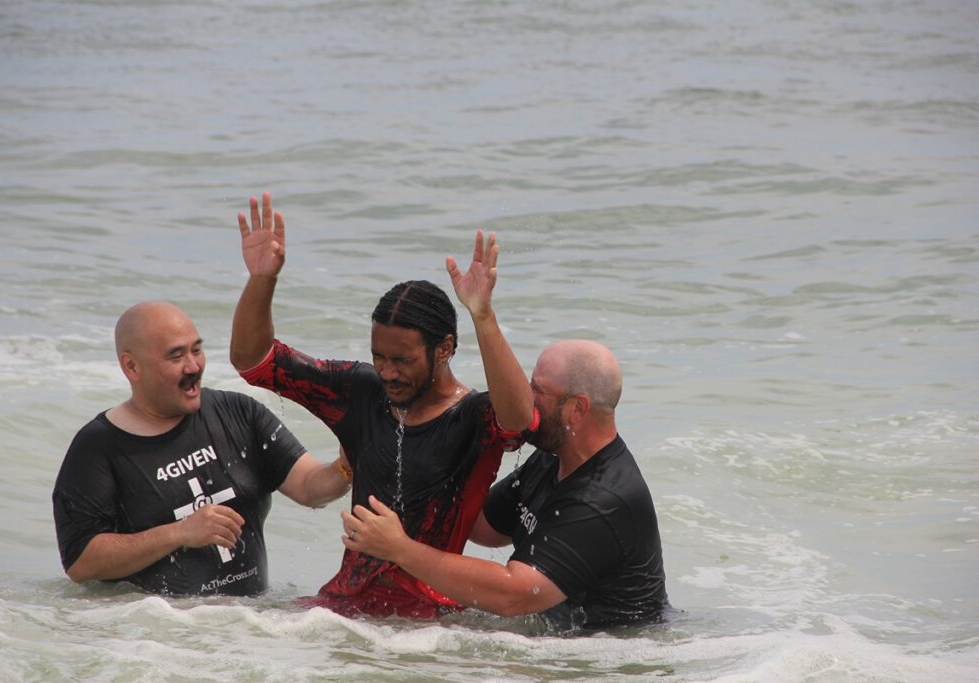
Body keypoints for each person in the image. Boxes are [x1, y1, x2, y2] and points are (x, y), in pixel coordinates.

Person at [230, 192, 536, 617]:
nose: (388, 372)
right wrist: (262, 280)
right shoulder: (359, 389)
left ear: (444, 348)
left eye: (403, 360)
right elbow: (255, 362)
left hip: (430, 623)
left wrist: (483, 315)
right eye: (380, 356)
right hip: (342, 609)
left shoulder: (473, 418)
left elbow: (520, 421)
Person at [342, 340, 669, 630]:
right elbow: (483, 527)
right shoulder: (551, 459)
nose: (525, 398)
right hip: (559, 636)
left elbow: (514, 596)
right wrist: (423, 452)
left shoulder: (601, 499)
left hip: (617, 659)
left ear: (576, 408)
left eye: (537, 390)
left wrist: (400, 548)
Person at [52, 301, 351, 596]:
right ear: (132, 366)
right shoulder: (97, 447)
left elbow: (309, 488)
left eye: (196, 350)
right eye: (176, 356)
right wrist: (179, 532)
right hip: (156, 636)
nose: (194, 366)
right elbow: (81, 563)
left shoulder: (238, 412)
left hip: (253, 632)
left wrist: (344, 466)